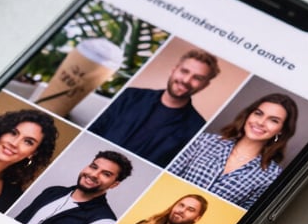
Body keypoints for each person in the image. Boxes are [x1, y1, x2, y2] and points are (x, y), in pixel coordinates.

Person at [89, 48, 220, 166]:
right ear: (174, 70)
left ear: (205, 85)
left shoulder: (197, 129)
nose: (186, 80)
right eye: (184, 71)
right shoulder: (129, 96)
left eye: (197, 78)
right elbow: (93, 129)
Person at [167, 93, 298, 209]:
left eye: (273, 120)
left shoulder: (272, 176)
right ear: (248, 115)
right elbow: (165, 177)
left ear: (282, 130)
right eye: (258, 113)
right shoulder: (204, 141)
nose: (261, 122)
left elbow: (241, 217)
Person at [14, 150, 133, 224]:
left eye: (106, 174)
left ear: (114, 184)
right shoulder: (53, 191)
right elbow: (17, 222)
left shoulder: (104, 221)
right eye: (93, 167)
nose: (94, 174)